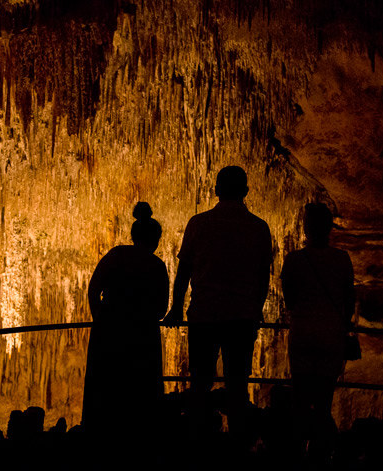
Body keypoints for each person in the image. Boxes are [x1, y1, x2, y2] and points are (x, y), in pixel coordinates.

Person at [164, 166, 272, 432]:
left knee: (200, 382)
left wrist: (176, 308)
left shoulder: (199, 223)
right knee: (237, 385)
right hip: (242, 318)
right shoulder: (258, 228)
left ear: (216, 190)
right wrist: (255, 310)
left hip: (205, 315)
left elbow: (184, 272)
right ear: (245, 192)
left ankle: (198, 443)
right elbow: (262, 279)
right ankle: (238, 446)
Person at [81, 202, 169, 436]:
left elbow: (93, 289)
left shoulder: (116, 255)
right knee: (139, 392)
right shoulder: (157, 266)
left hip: (108, 330)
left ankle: (99, 438)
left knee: (105, 388)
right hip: (143, 336)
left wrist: (99, 318)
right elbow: (161, 310)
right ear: (155, 239)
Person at [281, 202, 355, 463]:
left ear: (305, 227)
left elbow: (288, 298)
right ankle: (320, 456)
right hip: (331, 333)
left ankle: (297, 452)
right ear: (329, 228)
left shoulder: (294, 259)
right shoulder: (341, 259)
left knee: (300, 397)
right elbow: (349, 298)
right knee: (324, 398)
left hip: (302, 331)